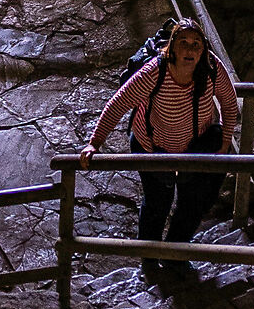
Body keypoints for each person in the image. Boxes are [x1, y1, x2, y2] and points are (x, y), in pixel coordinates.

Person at [80, 18, 238, 252]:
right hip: (152, 145)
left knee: (193, 201)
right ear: (172, 47)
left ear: (203, 50)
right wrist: (94, 143)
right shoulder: (155, 72)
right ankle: (150, 257)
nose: (190, 49)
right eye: (183, 42)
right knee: (157, 203)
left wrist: (225, 141)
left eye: (196, 44)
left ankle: (176, 252)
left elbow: (229, 101)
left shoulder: (211, 68)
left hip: (195, 144)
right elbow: (118, 104)